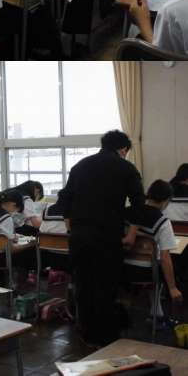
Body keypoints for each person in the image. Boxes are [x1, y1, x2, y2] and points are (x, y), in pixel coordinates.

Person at [61, 129, 145, 345]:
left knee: (83, 285)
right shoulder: (126, 168)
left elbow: (64, 200)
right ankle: (105, 337)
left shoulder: (80, 166)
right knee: (106, 286)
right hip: (107, 237)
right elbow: (138, 202)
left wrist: (72, 228)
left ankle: (86, 333)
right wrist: (132, 233)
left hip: (79, 237)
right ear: (123, 149)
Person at [124, 180, 183, 318]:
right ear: (166, 201)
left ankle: (154, 306)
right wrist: (173, 288)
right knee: (170, 266)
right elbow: (165, 258)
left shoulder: (127, 212)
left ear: (148, 195)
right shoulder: (162, 222)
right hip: (147, 273)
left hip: (122, 267)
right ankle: (158, 309)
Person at [0, 188, 37, 281]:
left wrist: (16, 237)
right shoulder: (6, 218)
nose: (15, 212)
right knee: (30, 250)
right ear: (13, 204)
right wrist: (31, 243)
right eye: (17, 209)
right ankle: (22, 281)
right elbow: (12, 249)